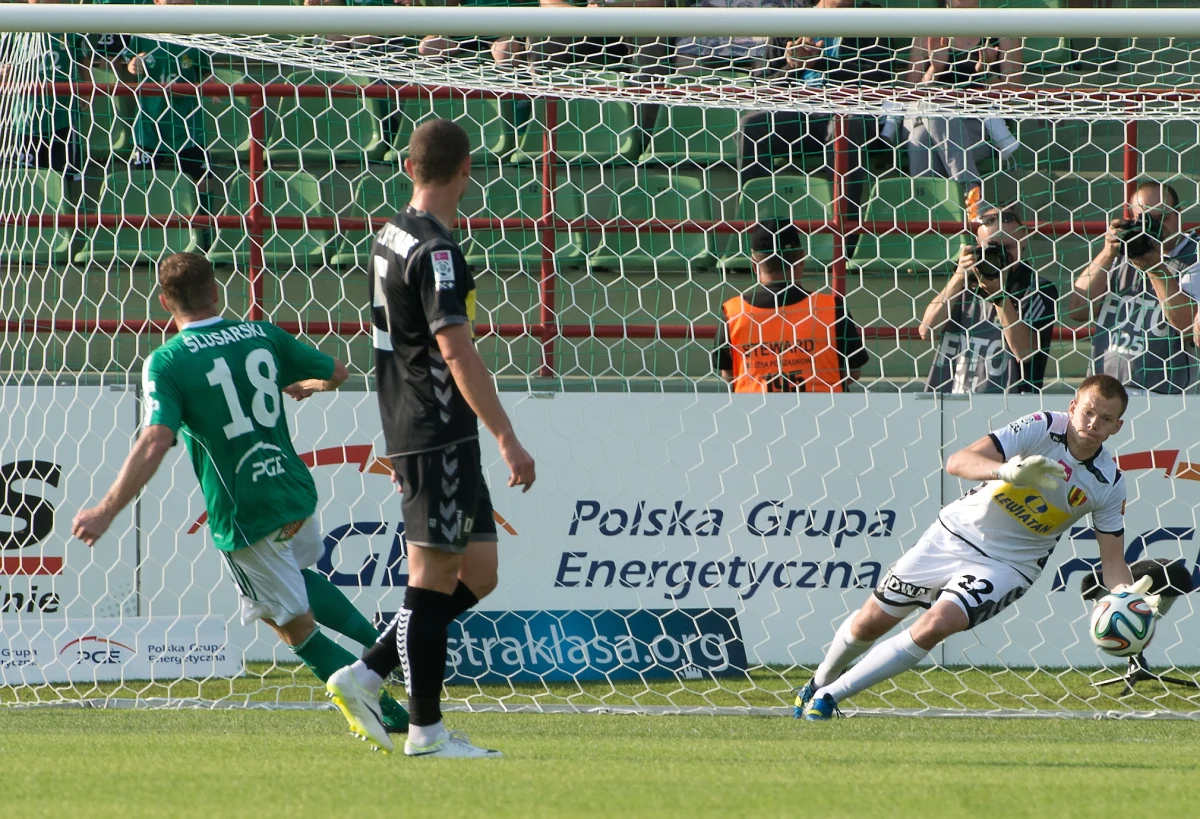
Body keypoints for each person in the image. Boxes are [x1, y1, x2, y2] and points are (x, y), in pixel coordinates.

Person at [70, 251, 410, 735]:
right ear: (216, 290)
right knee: (292, 584)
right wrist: (308, 384)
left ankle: (387, 709)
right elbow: (337, 371)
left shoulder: (167, 361)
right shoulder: (261, 334)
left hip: (245, 513)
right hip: (294, 490)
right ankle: (390, 650)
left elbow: (155, 438)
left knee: (290, 624)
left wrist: (106, 510)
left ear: (164, 301)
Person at [325, 119, 536, 758]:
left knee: (479, 570)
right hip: (436, 427)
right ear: (466, 169)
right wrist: (506, 436)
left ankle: (365, 674)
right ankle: (425, 731)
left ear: (408, 166)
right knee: (433, 577)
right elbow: (455, 351)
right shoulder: (437, 252)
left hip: (420, 425)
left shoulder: (388, 234)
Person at [797, 374, 1144, 720]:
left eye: (1106, 419)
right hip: (953, 535)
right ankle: (819, 682)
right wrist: (1007, 472)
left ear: (1118, 427)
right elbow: (958, 461)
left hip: (1008, 566)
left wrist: (1127, 596)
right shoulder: (1042, 426)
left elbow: (1112, 562)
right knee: (867, 625)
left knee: (937, 623)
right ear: (1073, 407)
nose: (1094, 423)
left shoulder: (1109, 483)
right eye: (1088, 412)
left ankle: (829, 698)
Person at [738, 0, 905, 259]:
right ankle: (757, 238)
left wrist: (822, 63)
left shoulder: (873, 17)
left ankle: (843, 240)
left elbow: (878, 77)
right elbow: (762, 85)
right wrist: (793, 66)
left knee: (845, 126)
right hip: (798, 114)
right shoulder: (790, 22)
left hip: (850, 113)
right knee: (752, 125)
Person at [1068, 180, 1200, 394]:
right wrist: (1108, 251)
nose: (1155, 227)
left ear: (1179, 215)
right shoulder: (1124, 252)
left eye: (1162, 218)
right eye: (1145, 219)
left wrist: (1155, 268)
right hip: (1103, 391)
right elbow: (1077, 309)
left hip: (1164, 394)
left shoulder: (1194, 256)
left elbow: (1188, 326)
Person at [713, 220, 868, 392]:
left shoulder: (733, 313)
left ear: (754, 265)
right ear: (801, 257)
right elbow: (853, 372)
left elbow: (728, 375)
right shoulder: (830, 308)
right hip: (823, 413)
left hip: (757, 415)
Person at [921, 201, 1057, 393]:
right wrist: (959, 276)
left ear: (1024, 239)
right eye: (993, 247)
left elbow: (1025, 352)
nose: (1002, 255)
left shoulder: (1037, 289)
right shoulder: (964, 282)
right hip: (952, 399)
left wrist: (999, 296)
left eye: (1008, 247)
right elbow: (927, 330)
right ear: (978, 244)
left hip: (1011, 405)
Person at [904, 0, 1023, 195]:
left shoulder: (1003, 28)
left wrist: (986, 74)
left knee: (920, 139)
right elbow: (910, 94)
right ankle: (971, 192)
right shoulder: (927, 28)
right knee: (933, 113)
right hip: (928, 118)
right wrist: (936, 68)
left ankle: (929, 215)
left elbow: (1012, 95)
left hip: (977, 126)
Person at [121, 0, 213, 186]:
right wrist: (132, 65)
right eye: (170, 0)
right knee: (143, 182)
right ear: (157, 2)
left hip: (188, 126)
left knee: (200, 180)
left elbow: (207, 75)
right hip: (149, 124)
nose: (176, 3)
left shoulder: (197, 36)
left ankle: (203, 214)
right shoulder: (143, 32)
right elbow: (127, 71)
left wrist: (196, 89)